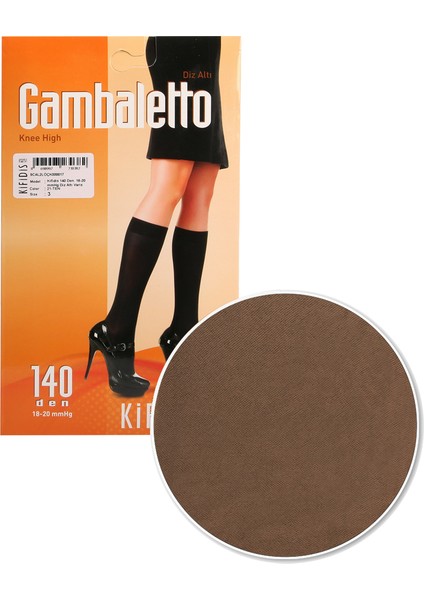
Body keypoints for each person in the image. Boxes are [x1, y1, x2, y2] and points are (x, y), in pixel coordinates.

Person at [85, 37, 228, 397]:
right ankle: (116, 329)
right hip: (180, 44)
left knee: (201, 187)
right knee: (170, 185)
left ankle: (184, 328)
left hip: (205, 48)